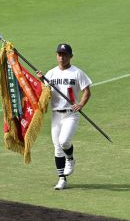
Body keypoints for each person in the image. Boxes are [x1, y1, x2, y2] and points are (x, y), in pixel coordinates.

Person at [38, 43, 92, 190]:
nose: (61, 58)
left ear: (70, 56)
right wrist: (41, 79)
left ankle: (70, 159)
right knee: (57, 148)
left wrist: (80, 104)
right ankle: (62, 179)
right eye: (59, 54)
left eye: (65, 55)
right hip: (56, 114)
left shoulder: (77, 73)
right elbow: (43, 92)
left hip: (71, 114)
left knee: (64, 141)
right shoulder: (51, 73)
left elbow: (87, 91)